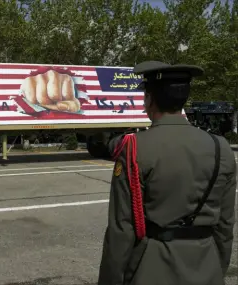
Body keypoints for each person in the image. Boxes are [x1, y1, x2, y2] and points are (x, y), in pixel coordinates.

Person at [97, 61, 236, 285]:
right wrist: (216, 269)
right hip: (206, 265)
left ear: (150, 100)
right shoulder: (221, 148)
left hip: (151, 268)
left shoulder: (135, 148)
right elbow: (225, 224)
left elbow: (121, 230)